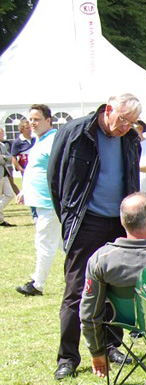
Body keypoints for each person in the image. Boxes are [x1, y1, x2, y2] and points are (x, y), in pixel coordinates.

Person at [48, 93, 142, 381]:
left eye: (132, 123)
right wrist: (69, 218)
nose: (126, 127)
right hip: (86, 222)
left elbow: (132, 177)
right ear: (109, 109)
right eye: (123, 120)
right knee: (77, 290)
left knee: (115, 286)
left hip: (118, 221)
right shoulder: (76, 132)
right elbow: (55, 178)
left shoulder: (130, 139)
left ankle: (113, 344)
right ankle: (68, 357)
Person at [79, 193, 146, 377]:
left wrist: (97, 352)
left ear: (122, 221)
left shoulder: (101, 259)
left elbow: (89, 312)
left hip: (124, 320)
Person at [15, 105, 60, 296]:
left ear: (48, 120)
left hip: (49, 203)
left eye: (37, 119)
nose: (32, 123)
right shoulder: (39, 140)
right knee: (62, 244)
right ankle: (89, 273)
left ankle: (37, 284)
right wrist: (25, 190)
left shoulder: (52, 141)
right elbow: (35, 170)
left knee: (44, 242)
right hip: (40, 202)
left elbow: (58, 170)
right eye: (30, 119)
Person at [0, 128, 16, 226]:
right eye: (1, 133)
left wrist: (4, 157)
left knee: (10, 194)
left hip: (4, 173)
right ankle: (1, 220)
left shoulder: (2, 145)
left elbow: (10, 158)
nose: (3, 135)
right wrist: (4, 158)